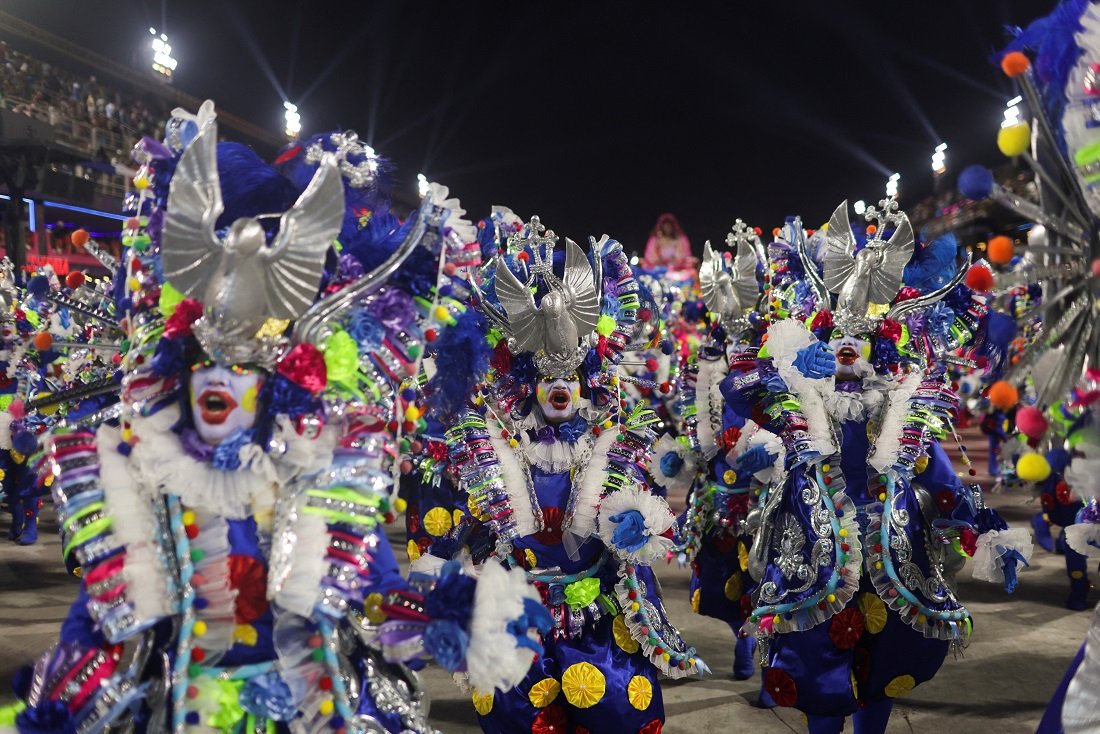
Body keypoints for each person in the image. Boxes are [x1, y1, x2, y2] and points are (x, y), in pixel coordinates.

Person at [0, 104, 549, 733]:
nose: (226, 390)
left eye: (248, 381)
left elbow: (368, 596)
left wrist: (442, 614)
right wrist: (61, 705)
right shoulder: (139, 481)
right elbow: (102, 622)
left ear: (281, 390)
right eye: (208, 375)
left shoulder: (322, 478)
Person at [724, 200, 1030, 734]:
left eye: (858, 340)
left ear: (879, 346)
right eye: (835, 339)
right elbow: (737, 387)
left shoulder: (901, 403)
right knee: (817, 679)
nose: (846, 348)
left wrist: (986, 531)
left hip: (893, 555)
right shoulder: (800, 391)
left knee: (883, 672)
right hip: (813, 560)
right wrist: (788, 367)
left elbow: (936, 474)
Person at [430, 217, 706, 733]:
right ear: (529, 383)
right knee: (519, 716)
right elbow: (475, 523)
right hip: (520, 608)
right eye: (549, 379)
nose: (560, 389)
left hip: (595, 609)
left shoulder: (613, 438)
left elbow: (650, 517)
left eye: (570, 379)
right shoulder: (496, 440)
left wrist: (637, 528)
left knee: (617, 709)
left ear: (587, 382)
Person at [643, 213, 697, 288]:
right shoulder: (655, 240)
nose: (667, 228)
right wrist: (661, 262)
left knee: (691, 273)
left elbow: (685, 257)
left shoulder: (680, 240)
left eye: (669, 226)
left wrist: (675, 262)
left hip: (676, 270)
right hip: (659, 269)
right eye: (665, 226)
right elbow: (649, 257)